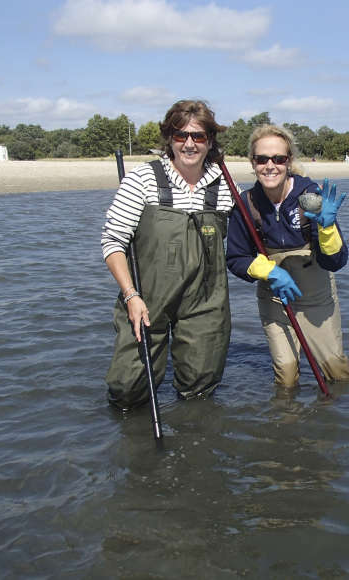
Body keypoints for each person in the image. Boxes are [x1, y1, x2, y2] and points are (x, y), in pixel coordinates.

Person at [101, 99, 233, 409]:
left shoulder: (225, 186)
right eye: (180, 135)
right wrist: (131, 296)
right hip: (147, 300)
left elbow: (253, 232)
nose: (189, 144)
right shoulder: (143, 179)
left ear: (210, 141)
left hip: (206, 302)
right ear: (169, 139)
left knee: (201, 389)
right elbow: (113, 242)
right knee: (128, 389)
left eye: (198, 136)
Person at [226, 124, 349, 388]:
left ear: (288, 161)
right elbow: (236, 258)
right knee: (286, 378)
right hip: (275, 299)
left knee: (336, 376)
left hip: (317, 300)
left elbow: (336, 262)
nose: (270, 166)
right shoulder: (246, 204)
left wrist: (326, 229)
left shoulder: (311, 197)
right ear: (253, 162)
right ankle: (286, 424)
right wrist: (271, 272)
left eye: (278, 159)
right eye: (262, 159)